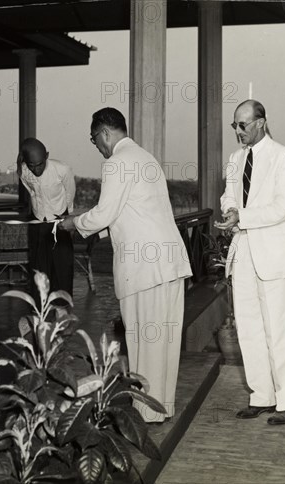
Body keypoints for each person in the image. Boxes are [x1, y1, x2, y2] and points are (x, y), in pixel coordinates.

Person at [60, 108, 192, 423]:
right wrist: (100, 231)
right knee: (164, 342)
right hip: (170, 263)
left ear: (105, 133)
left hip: (145, 268)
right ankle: (161, 408)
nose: (98, 147)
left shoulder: (116, 162)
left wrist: (72, 223)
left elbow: (106, 212)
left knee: (144, 343)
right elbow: (135, 210)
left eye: (95, 140)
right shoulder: (146, 158)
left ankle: (145, 414)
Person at [215, 100, 285, 425]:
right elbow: (229, 195)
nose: (238, 132)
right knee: (248, 327)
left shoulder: (284, 157)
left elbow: (284, 206)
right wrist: (229, 213)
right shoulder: (235, 160)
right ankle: (261, 396)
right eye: (235, 126)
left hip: (272, 253)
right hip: (243, 250)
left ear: (262, 122)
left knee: (277, 328)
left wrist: (244, 216)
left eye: (244, 125)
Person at [17, 138, 75, 301]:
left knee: (62, 271)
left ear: (47, 156)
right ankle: (40, 312)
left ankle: (62, 312)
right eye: (31, 165)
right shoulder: (24, 170)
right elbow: (31, 191)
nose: (36, 170)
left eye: (40, 164)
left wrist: (68, 216)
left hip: (59, 223)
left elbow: (70, 192)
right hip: (38, 224)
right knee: (39, 272)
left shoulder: (62, 169)